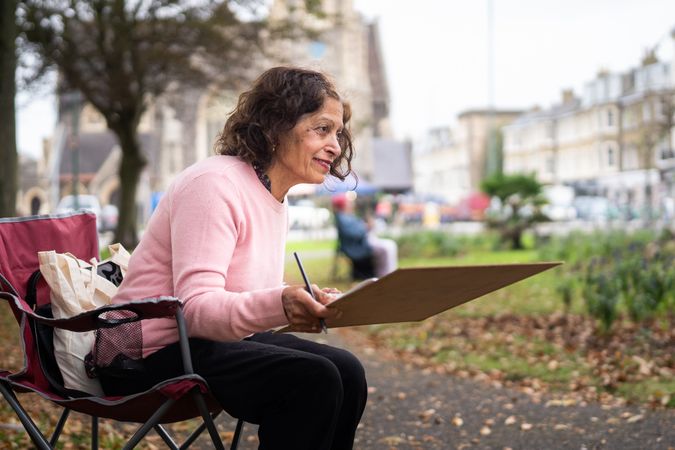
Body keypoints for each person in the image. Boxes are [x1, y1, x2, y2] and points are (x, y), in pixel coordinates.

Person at [92, 67, 367, 450]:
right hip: (143, 354)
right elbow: (197, 308)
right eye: (322, 129)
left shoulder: (273, 195)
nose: (336, 146)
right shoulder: (214, 184)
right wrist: (281, 304)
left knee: (348, 371)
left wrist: (301, 300)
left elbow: (240, 295)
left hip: (206, 343)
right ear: (276, 125)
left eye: (337, 133)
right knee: (313, 378)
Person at [332, 194, 398, 279]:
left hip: (363, 241)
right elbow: (353, 233)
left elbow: (357, 227)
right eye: (348, 203)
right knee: (386, 248)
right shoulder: (342, 217)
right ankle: (384, 275)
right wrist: (365, 227)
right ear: (343, 205)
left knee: (390, 245)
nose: (351, 204)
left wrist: (365, 226)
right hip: (357, 246)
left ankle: (389, 273)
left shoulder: (348, 215)